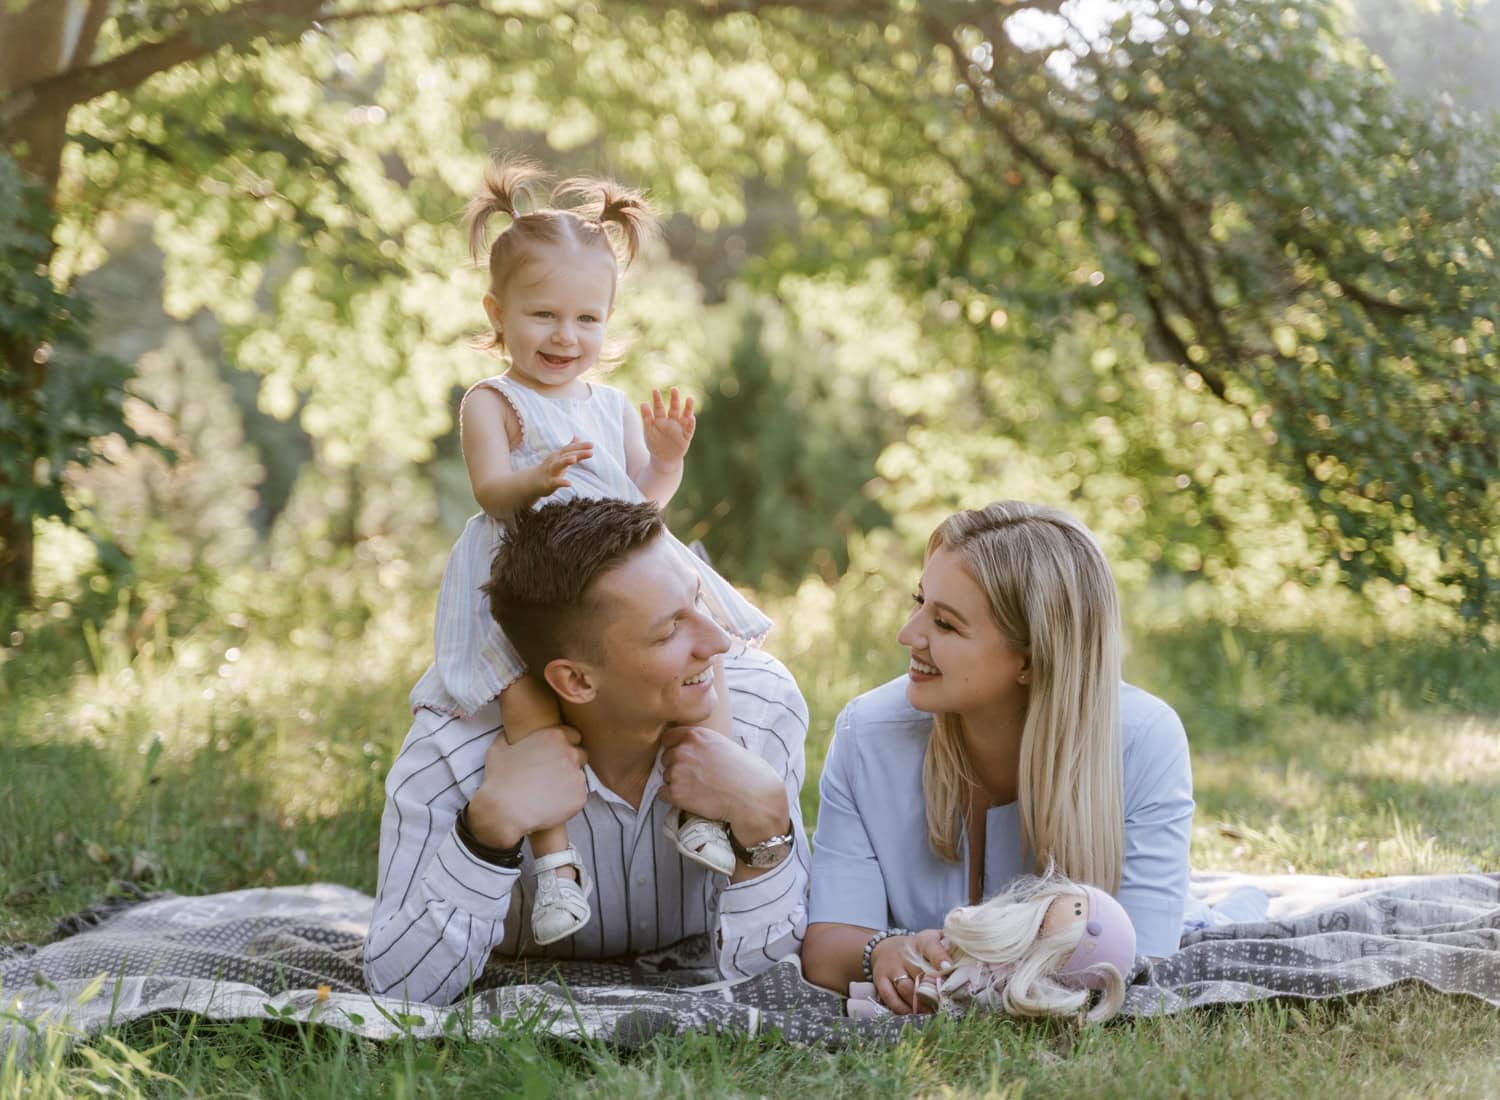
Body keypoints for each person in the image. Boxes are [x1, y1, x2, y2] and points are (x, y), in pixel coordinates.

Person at [407, 156, 771, 946]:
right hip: (522, 576)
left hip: (618, 575)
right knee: (531, 711)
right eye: (542, 316)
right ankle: (556, 863)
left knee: (696, 676)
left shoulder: (607, 403)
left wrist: (667, 459)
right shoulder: (491, 401)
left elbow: (637, 504)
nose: (565, 337)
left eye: (586, 320)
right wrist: (531, 477)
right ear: (496, 313)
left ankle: (698, 807)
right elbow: (489, 494)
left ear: (608, 323)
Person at [366, 498, 809, 1006]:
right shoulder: (451, 750)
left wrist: (765, 827)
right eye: (670, 629)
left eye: (699, 603)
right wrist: (485, 835)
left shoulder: (763, 707)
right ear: (575, 680)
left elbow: (786, 981)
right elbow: (395, 991)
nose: (719, 643)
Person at [801, 501, 1193, 1014]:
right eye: (920, 602)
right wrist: (881, 951)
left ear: (1030, 658)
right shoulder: (869, 733)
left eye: (944, 623)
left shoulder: (1144, 739)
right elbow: (828, 948)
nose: (908, 634)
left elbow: (1142, 958)